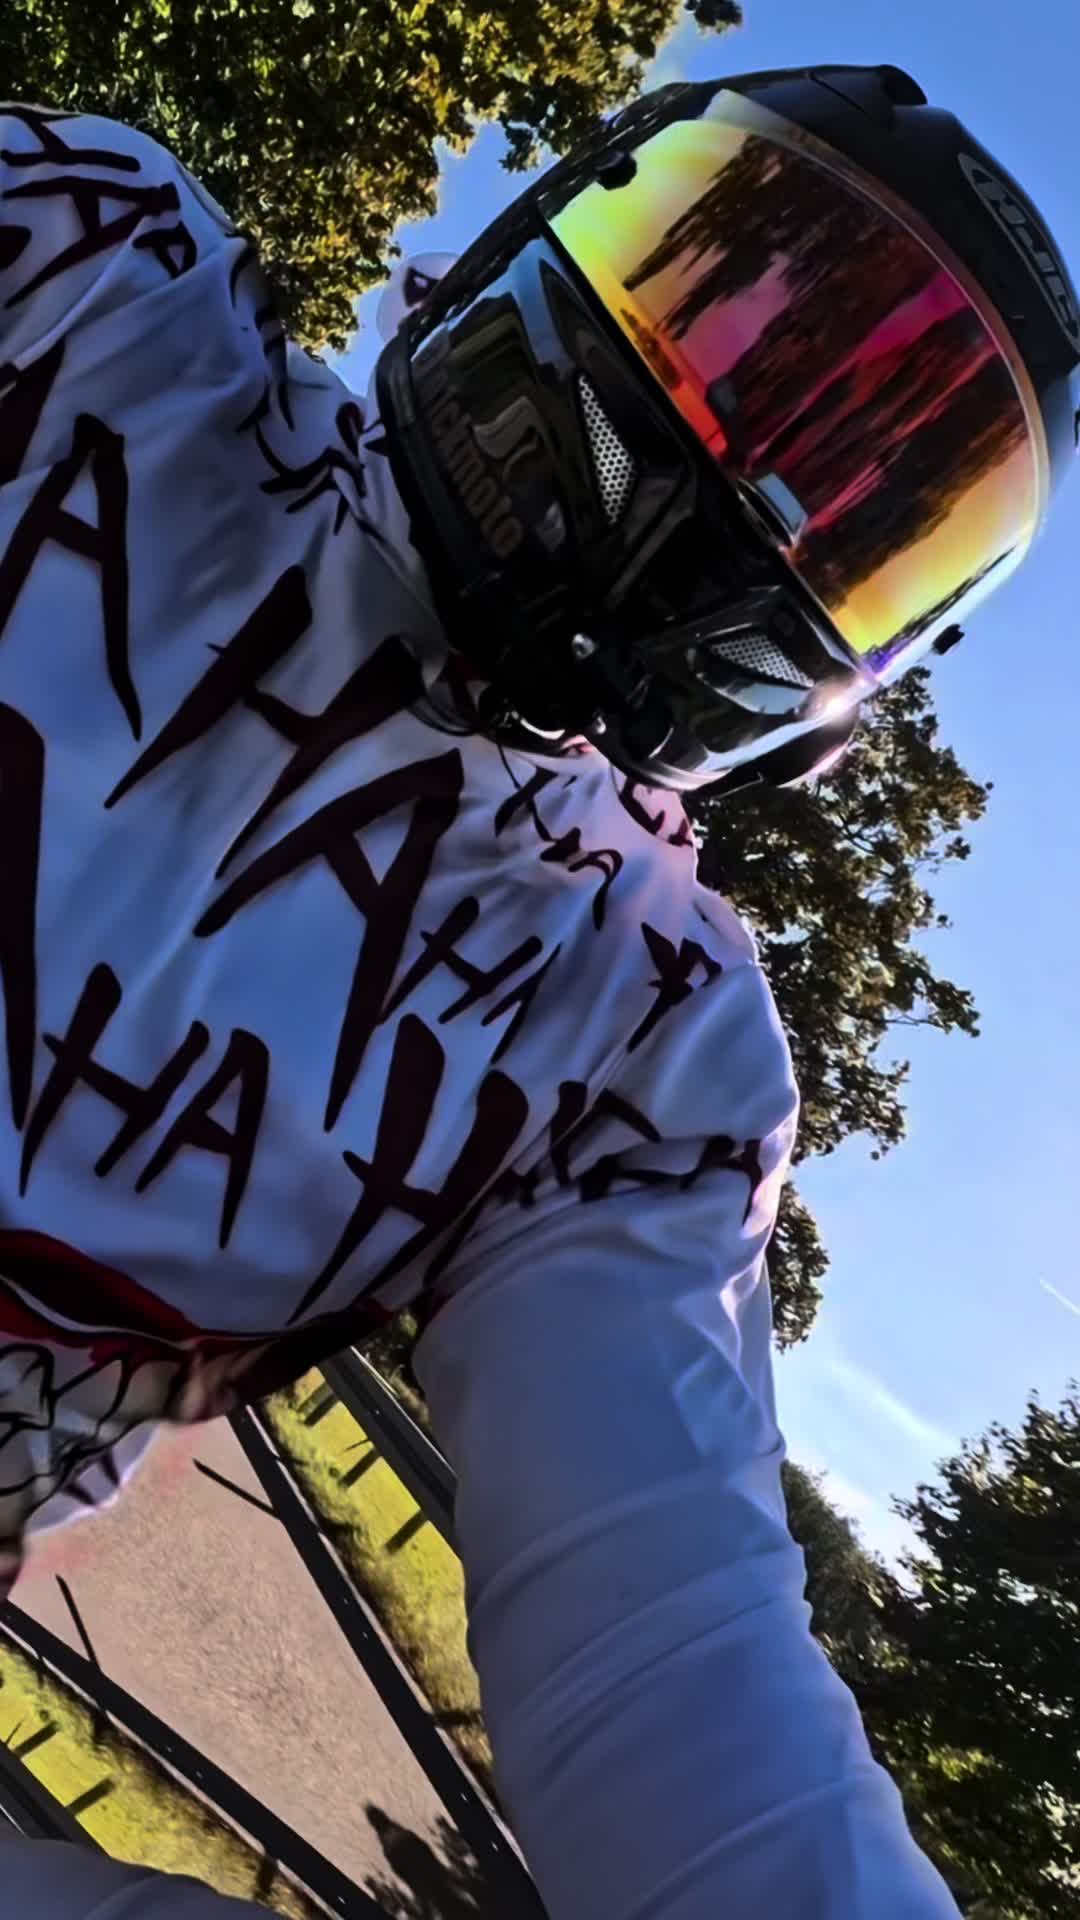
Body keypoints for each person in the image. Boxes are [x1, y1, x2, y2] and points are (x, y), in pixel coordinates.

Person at [0, 60, 1075, 1918]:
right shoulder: (90, 288)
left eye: (858, 498)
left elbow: (681, 1675)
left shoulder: (632, 1039)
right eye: (714, 302)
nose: (722, 464)